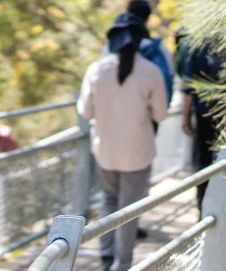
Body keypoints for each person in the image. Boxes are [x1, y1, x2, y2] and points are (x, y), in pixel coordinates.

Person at [78, 18, 169, 271]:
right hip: (138, 150)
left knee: (108, 199)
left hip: (105, 150)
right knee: (129, 208)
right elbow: (160, 115)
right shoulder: (151, 71)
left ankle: (105, 255)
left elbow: (85, 111)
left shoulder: (96, 70)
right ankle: (123, 263)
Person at [179, 39, 226, 215]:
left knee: (202, 161)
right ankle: (221, 205)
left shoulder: (197, 48)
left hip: (203, 112)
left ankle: (203, 207)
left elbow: (188, 87)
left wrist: (185, 117)